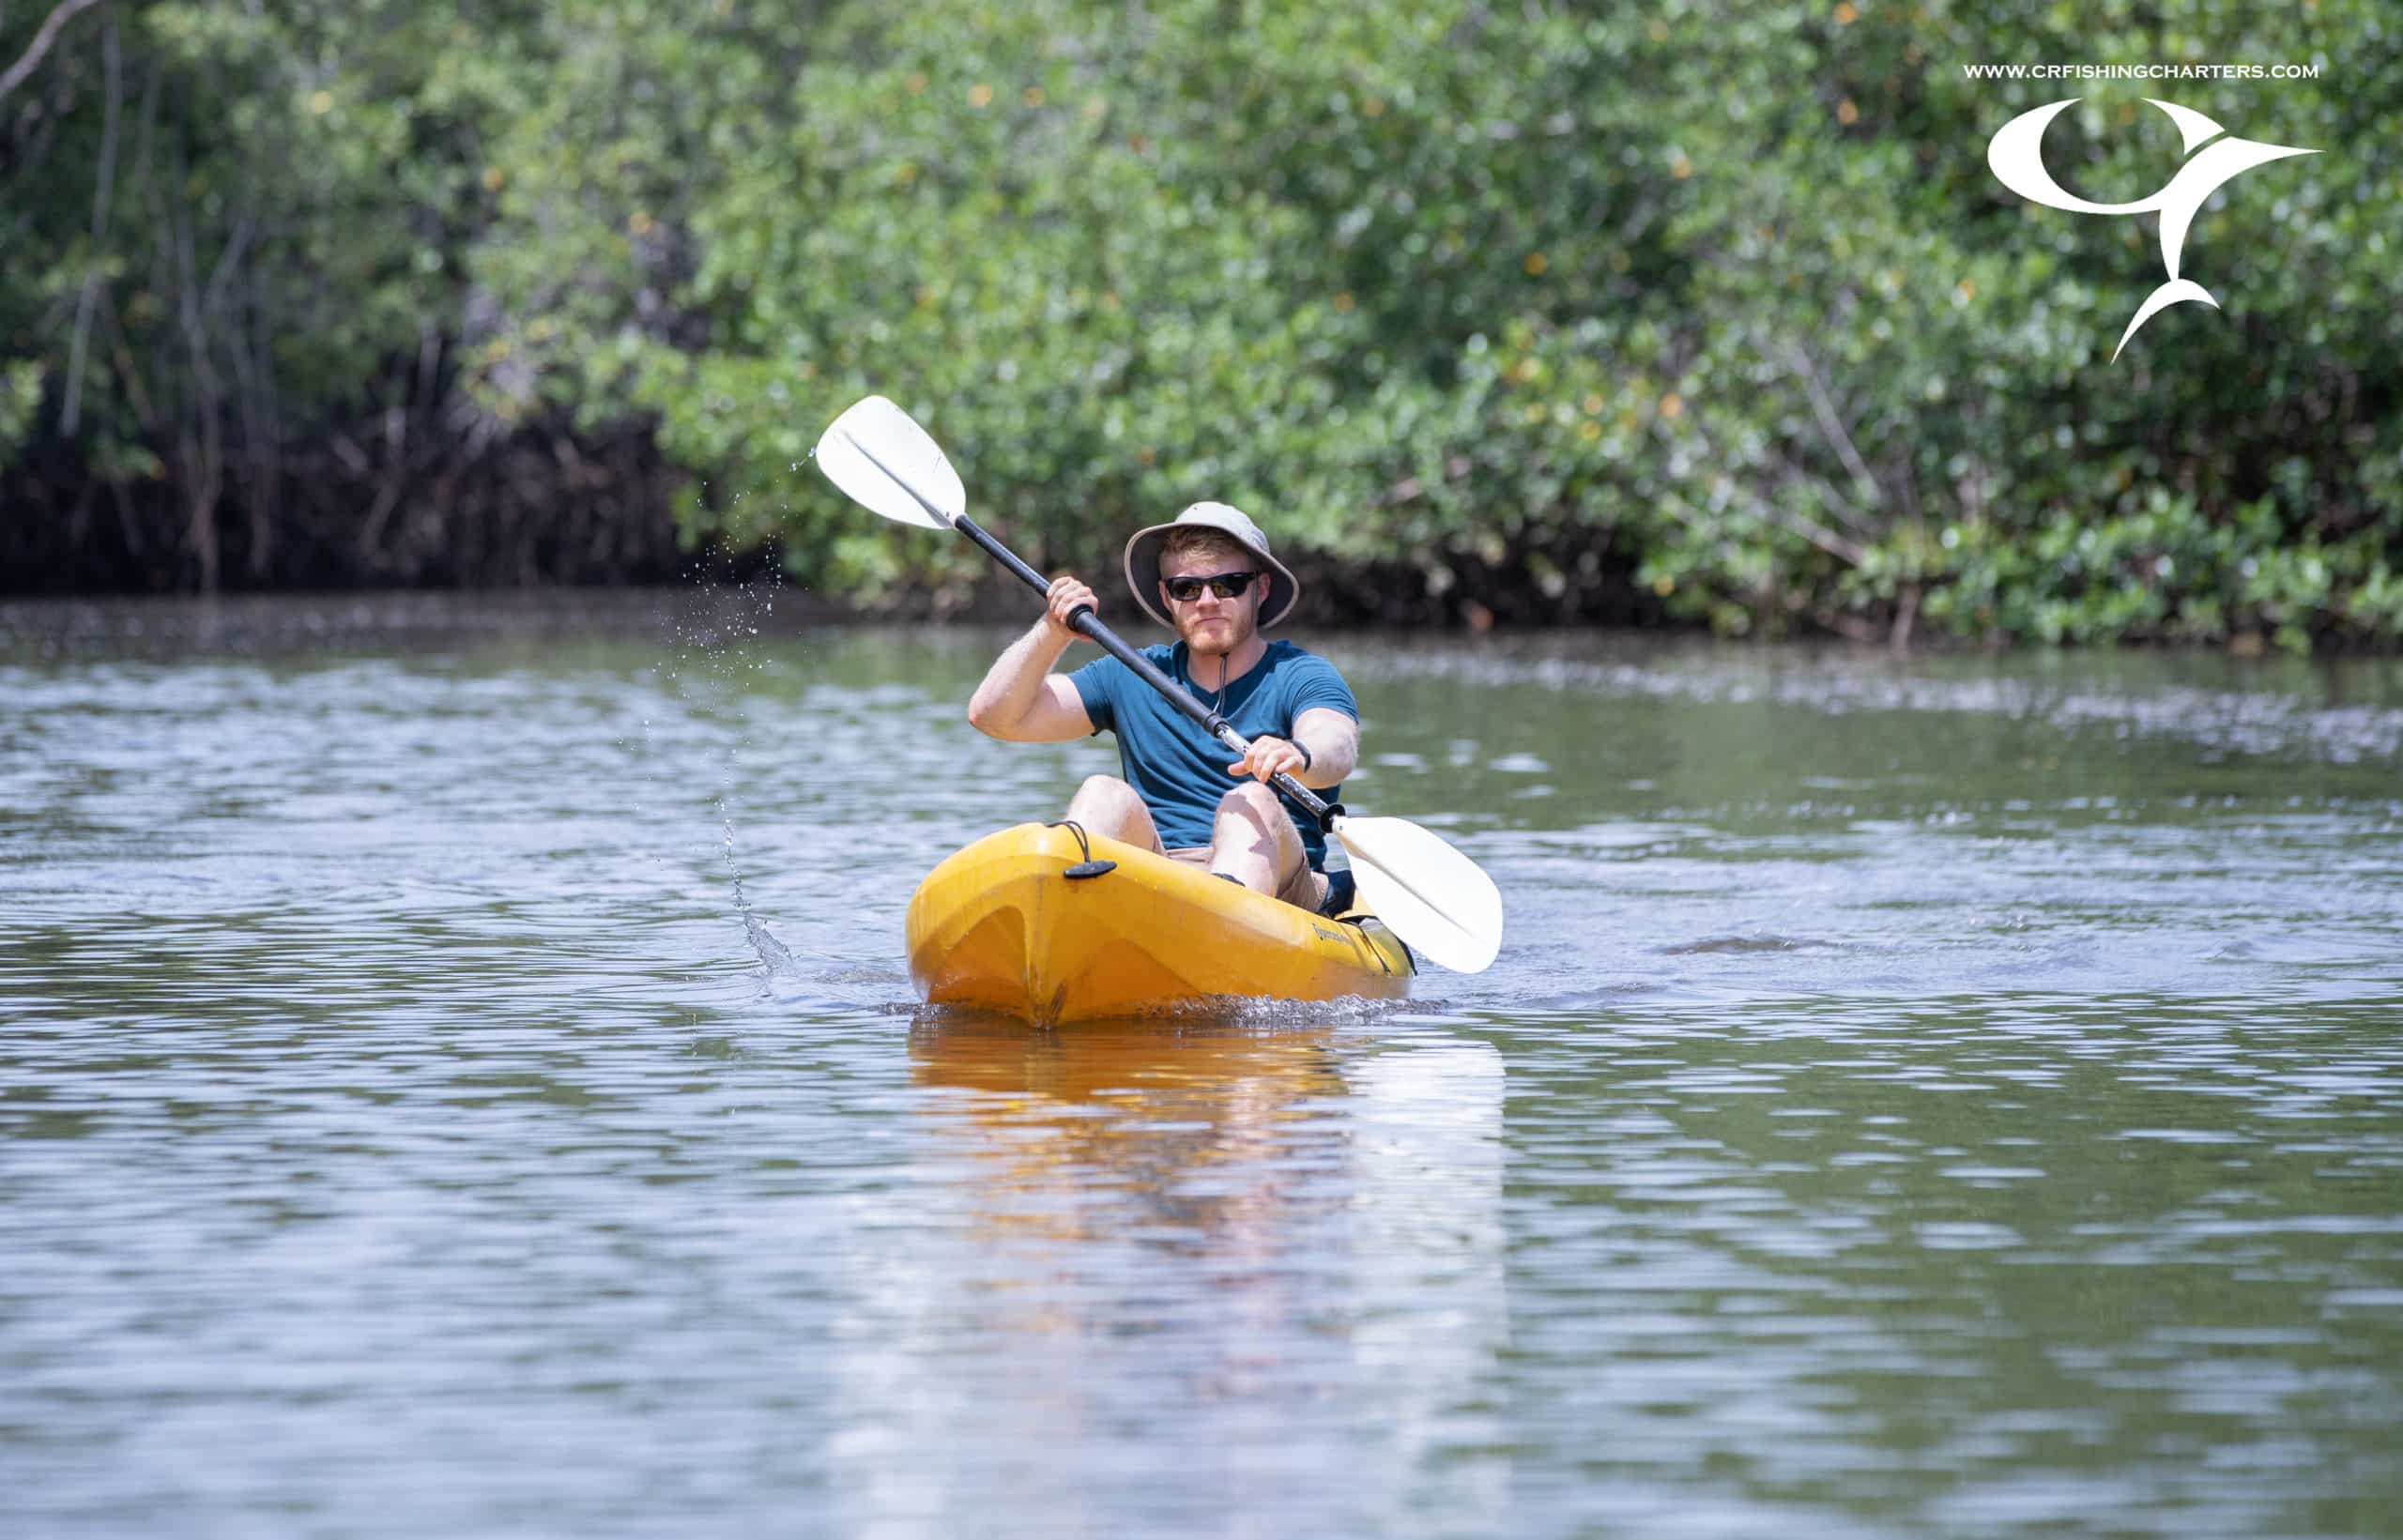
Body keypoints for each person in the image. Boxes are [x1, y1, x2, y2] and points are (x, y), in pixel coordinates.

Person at [966, 502, 1361, 916]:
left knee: (1251, 800)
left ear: (1260, 589)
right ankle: (1071, 926)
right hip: (1160, 873)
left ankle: (1225, 939)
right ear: (1166, 597)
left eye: (1228, 585)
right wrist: (1052, 631)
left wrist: (1299, 754)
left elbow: (1336, 746)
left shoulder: (1301, 674)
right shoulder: (1132, 673)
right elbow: (995, 716)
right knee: (1103, 792)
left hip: (1281, 888)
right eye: (1186, 588)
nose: (1206, 601)